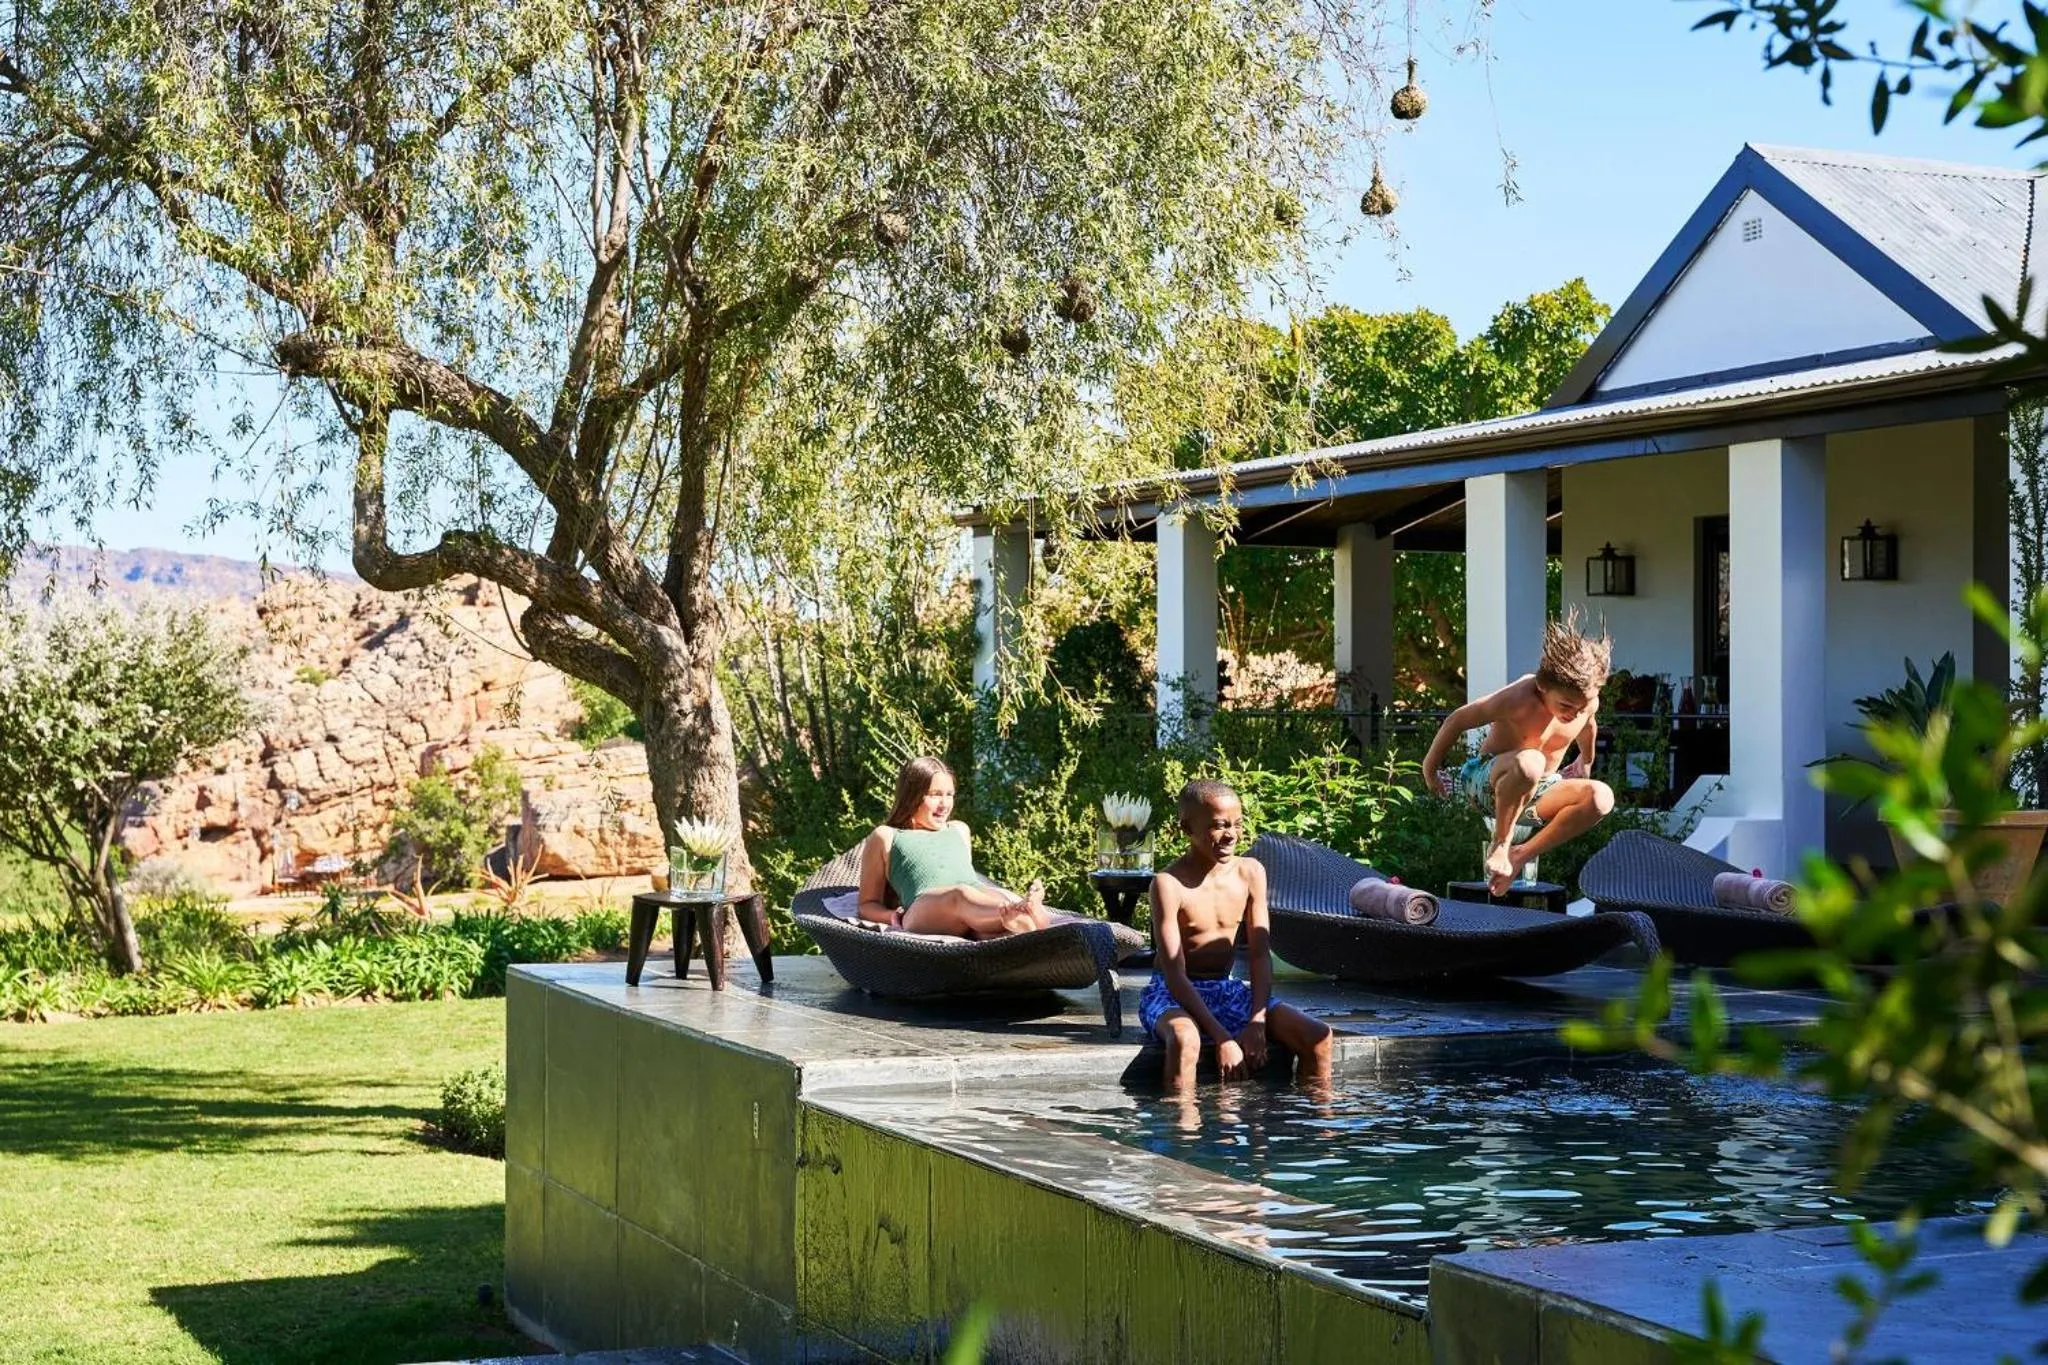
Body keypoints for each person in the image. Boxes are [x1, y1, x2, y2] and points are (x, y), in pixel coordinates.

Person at [1142, 779, 1333, 1094]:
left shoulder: (1250, 872)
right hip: (1173, 994)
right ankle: (1181, 1134)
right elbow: (1175, 975)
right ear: (1187, 829)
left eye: (1237, 824)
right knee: (1185, 1040)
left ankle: (1314, 1129)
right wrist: (1224, 1038)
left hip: (1226, 990)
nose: (1230, 834)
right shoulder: (1168, 884)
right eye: (1218, 826)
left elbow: (1259, 954)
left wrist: (1257, 1020)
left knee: (1318, 1037)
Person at [1421, 612, 1617, 896]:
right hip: (1487, 782)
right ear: (1542, 687)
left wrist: (1584, 760)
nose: (1574, 712)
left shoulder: (1586, 703)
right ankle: (1501, 843)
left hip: (1539, 789)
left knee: (1601, 797)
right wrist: (1430, 771)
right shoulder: (1518, 698)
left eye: (1582, 705)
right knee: (1531, 761)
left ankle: (1519, 855)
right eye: (1565, 705)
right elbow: (1457, 720)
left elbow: (1588, 726)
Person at [855, 756, 1053, 937]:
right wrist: (892, 917)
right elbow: (866, 905)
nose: (945, 804)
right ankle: (1018, 915)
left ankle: (1025, 919)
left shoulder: (959, 829)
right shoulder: (886, 836)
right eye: (934, 795)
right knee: (960, 894)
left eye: (949, 794)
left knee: (989, 897)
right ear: (911, 796)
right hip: (924, 908)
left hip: (971, 906)